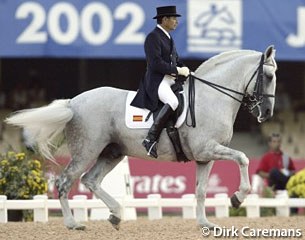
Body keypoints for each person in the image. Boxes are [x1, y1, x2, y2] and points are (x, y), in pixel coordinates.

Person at [131, 6, 190, 158]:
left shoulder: (168, 37)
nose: (176, 22)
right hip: (157, 81)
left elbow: (176, 60)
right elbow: (155, 63)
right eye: (174, 18)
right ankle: (150, 139)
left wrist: (185, 69)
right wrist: (177, 70)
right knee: (173, 102)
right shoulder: (153, 37)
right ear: (164, 20)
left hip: (170, 80)